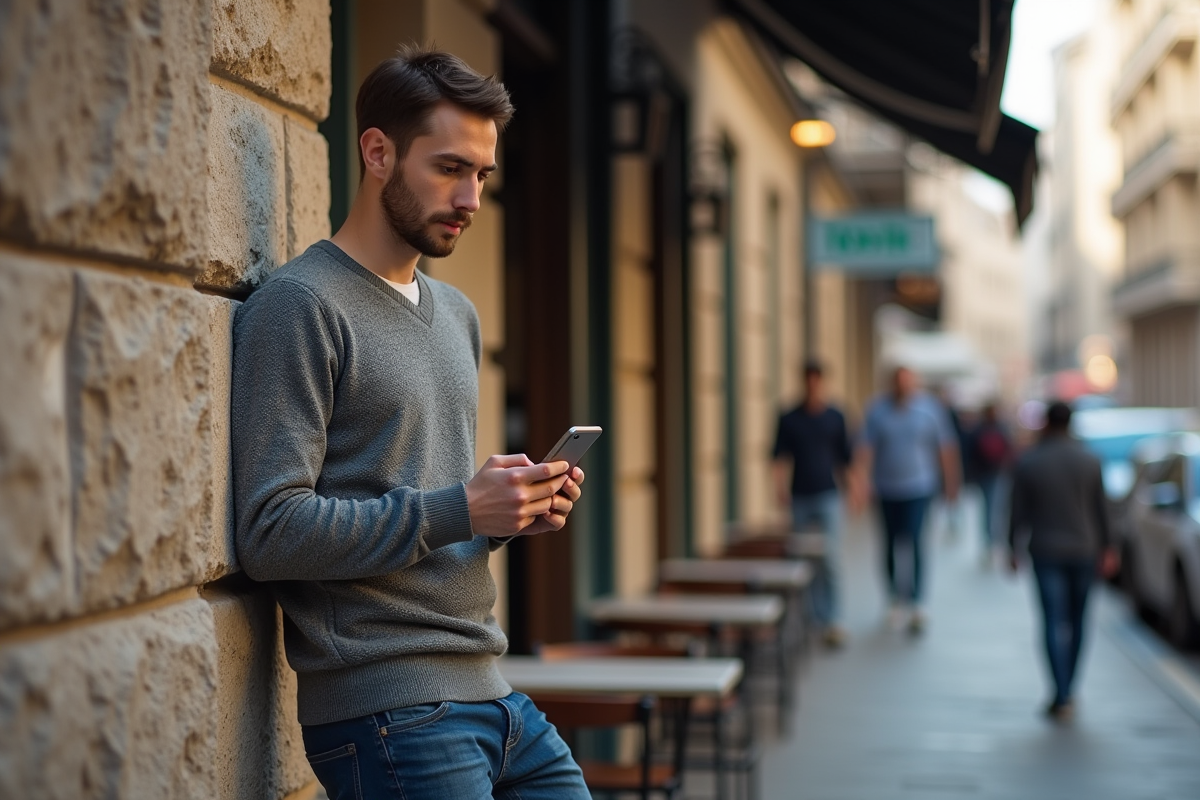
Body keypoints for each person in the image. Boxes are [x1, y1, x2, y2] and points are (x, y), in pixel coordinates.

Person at [231, 47, 591, 798]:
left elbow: (424, 506)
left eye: (483, 175)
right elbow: (270, 531)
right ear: (377, 152)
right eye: (450, 168)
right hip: (389, 711)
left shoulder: (455, 314)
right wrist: (460, 506)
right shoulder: (302, 306)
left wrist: (504, 514)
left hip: (496, 692)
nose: (471, 198)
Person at [1008, 401, 1117, 721]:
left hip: (1045, 550)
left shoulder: (1030, 462)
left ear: (1045, 423)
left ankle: (1060, 692)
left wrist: (1011, 546)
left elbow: (1017, 510)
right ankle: (1070, 687)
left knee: (1053, 620)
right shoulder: (1090, 460)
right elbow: (1102, 509)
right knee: (1079, 620)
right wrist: (1109, 548)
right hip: (1084, 550)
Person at [856, 366, 960, 633]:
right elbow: (866, 448)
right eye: (899, 383)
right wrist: (860, 483)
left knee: (914, 542)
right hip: (886, 488)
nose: (903, 388)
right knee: (889, 544)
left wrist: (951, 485)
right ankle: (893, 599)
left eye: (908, 383)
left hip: (919, 488)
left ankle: (916, 602)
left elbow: (945, 448)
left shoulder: (930, 409)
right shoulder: (877, 410)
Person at [772, 360, 855, 648]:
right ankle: (809, 618)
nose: (813, 385)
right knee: (801, 562)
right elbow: (778, 457)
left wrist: (854, 490)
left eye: (817, 380)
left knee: (831, 559)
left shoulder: (836, 416)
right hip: (800, 496)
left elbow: (846, 458)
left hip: (829, 494)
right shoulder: (789, 417)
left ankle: (834, 619)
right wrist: (779, 489)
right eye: (809, 380)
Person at [965, 402, 1012, 563]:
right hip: (992, 474)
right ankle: (992, 541)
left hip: (992, 474)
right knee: (994, 508)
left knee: (991, 508)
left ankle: (992, 541)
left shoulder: (982, 429)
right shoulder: (998, 429)